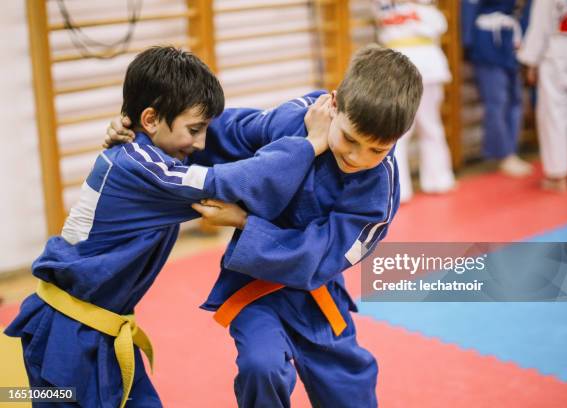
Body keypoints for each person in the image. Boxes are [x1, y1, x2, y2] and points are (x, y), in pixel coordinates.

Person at [4, 46, 332, 408]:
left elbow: (234, 163)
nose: (202, 142)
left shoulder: (142, 155)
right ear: (150, 119)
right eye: (194, 129)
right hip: (64, 337)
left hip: (100, 332)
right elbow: (232, 180)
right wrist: (310, 144)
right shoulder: (141, 168)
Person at [108, 44, 423, 408]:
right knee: (263, 367)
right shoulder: (296, 119)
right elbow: (218, 133)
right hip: (254, 285)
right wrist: (140, 134)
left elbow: (319, 257)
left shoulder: (378, 190)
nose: (357, 157)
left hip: (316, 295)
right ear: (334, 105)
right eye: (350, 139)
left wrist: (243, 221)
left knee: (349, 389)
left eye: (376, 150)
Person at [373, 0, 456, 202]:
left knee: (416, 128)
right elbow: (439, 25)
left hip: (419, 66)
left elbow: (439, 25)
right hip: (402, 66)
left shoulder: (422, 7)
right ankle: (405, 186)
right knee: (402, 131)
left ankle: (433, 180)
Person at [518, 0, 567, 192]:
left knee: (552, 114)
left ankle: (557, 175)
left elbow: (540, 27)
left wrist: (530, 61)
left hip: (556, 50)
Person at [462, 0, 533, 177]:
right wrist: (467, 42)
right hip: (487, 41)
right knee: (497, 100)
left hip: (509, 40)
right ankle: (503, 154)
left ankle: (511, 151)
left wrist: (525, 36)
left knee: (515, 99)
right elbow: (469, 6)